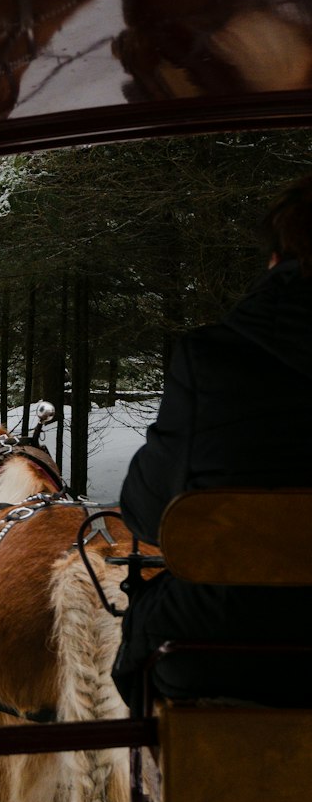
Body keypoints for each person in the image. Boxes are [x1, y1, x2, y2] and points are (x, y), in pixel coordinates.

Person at [112, 178, 312, 711]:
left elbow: (152, 514)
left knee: (141, 634)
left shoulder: (211, 358)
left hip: (227, 637)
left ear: (276, 260)